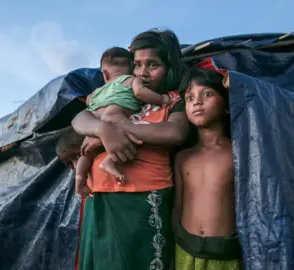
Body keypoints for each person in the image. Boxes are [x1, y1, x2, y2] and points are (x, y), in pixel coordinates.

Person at [71, 29, 188, 270]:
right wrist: (103, 130)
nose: (142, 73)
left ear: (170, 68)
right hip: (99, 194)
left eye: (152, 65)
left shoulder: (173, 99)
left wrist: (120, 128)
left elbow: (175, 133)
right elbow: (80, 119)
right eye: (137, 65)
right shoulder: (122, 93)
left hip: (143, 196)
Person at [75, 47, 172, 197]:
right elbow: (140, 92)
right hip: (116, 116)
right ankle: (110, 162)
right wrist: (161, 99)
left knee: (86, 151)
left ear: (104, 73)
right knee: (136, 133)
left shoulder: (94, 93)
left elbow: (88, 106)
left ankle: (80, 178)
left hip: (96, 121)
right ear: (132, 69)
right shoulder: (131, 79)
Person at [172, 68, 242, 270]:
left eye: (207, 94)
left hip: (225, 255)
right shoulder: (182, 157)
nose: (197, 102)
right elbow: (177, 209)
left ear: (227, 106)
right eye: (189, 98)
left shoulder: (239, 152)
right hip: (184, 249)